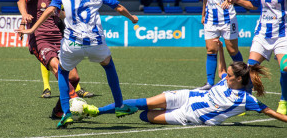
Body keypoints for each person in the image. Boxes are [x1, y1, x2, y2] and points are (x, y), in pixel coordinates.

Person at [16, 0, 139, 129]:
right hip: (95, 43)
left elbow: (51, 10)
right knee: (109, 66)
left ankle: (65, 113)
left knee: (66, 73)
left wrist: (30, 27)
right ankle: (119, 106)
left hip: (72, 43)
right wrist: (132, 17)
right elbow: (118, 7)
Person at [83, 39, 287, 126]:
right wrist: (220, 49)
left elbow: (270, 112)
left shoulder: (245, 98)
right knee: (140, 102)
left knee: (145, 116)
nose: (226, 75)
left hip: (189, 115)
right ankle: (96, 111)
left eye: (231, 74)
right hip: (188, 96)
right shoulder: (227, 80)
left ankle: (124, 109)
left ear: (239, 79)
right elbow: (222, 70)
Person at [17, 0, 81, 120]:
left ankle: (59, 110)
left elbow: (60, 15)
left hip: (58, 39)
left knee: (74, 77)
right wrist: (24, 16)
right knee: (58, 69)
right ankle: (76, 103)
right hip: (40, 40)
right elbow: (21, 1)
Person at [28, 0, 92, 99]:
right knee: (47, 52)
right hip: (44, 19)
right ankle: (46, 87)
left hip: (61, 17)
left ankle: (77, 87)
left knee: (69, 50)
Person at [228, 0, 287, 115]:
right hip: (262, 34)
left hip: (282, 35)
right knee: (250, 68)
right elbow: (254, 5)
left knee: (285, 68)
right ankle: (244, 101)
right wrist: (236, 1)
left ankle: (284, 100)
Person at [200, 0, 243, 90]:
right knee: (211, 50)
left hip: (227, 19)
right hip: (211, 19)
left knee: (232, 50)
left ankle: (244, 78)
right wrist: (203, 15)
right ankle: (209, 83)